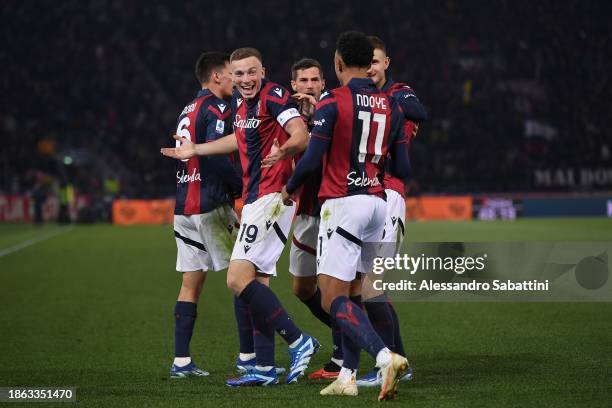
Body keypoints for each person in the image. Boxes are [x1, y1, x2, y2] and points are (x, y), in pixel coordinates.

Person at [162, 47, 319, 386]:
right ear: (230, 76)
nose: (246, 79)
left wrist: (285, 150)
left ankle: (298, 340)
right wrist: (196, 149)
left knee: (236, 279)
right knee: (256, 282)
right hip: (254, 199)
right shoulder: (241, 105)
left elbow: (301, 134)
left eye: (251, 72)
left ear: (263, 71)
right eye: (239, 74)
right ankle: (262, 367)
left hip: (273, 196)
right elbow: (238, 138)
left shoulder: (274, 95)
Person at [281, 31, 410, 400]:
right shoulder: (391, 104)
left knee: (331, 298)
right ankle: (348, 376)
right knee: (355, 292)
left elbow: (311, 160)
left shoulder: (333, 102)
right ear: (370, 63)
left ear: (337, 64)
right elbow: (401, 164)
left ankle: (385, 356)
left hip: (342, 204)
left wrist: (287, 188)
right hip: (377, 201)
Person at [355, 35, 428, 387]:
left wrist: (375, 103)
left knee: (371, 285)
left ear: (386, 63)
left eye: (376, 61)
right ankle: (395, 360)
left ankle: (394, 363)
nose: (371, 67)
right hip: (362, 194)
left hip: (389, 194)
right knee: (363, 286)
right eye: (366, 62)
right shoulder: (360, 99)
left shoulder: (400, 92)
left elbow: (419, 112)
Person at [168, 51, 242, 378]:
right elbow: (217, 153)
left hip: (184, 205)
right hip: (212, 202)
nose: (236, 80)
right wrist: (240, 187)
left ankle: (181, 362)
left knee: (190, 285)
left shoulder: (188, 108)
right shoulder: (218, 106)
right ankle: (252, 357)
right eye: (231, 73)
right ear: (216, 77)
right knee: (246, 278)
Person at [285, 58, 344, 380]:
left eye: (314, 80)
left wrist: (319, 107)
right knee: (302, 288)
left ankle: (339, 358)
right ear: (293, 85)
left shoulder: (334, 110)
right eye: (303, 81)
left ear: (323, 83)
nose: (309, 85)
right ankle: (350, 329)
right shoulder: (287, 120)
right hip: (305, 212)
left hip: (333, 209)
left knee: (332, 286)